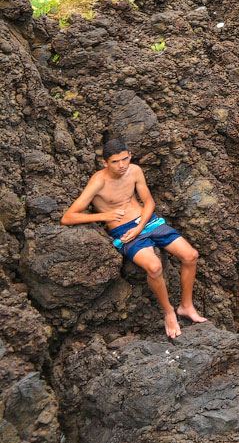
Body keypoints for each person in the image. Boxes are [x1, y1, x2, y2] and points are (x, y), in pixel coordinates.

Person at [61, 139, 205, 338]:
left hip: (147, 222)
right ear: (105, 163)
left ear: (130, 155)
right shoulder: (98, 181)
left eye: (125, 159)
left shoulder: (135, 171)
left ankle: (186, 306)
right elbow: (68, 217)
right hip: (124, 231)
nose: (122, 166)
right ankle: (168, 312)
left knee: (191, 255)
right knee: (154, 267)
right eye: (115, 162)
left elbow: (148, 202)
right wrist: (104, 216)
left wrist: (140, 227)